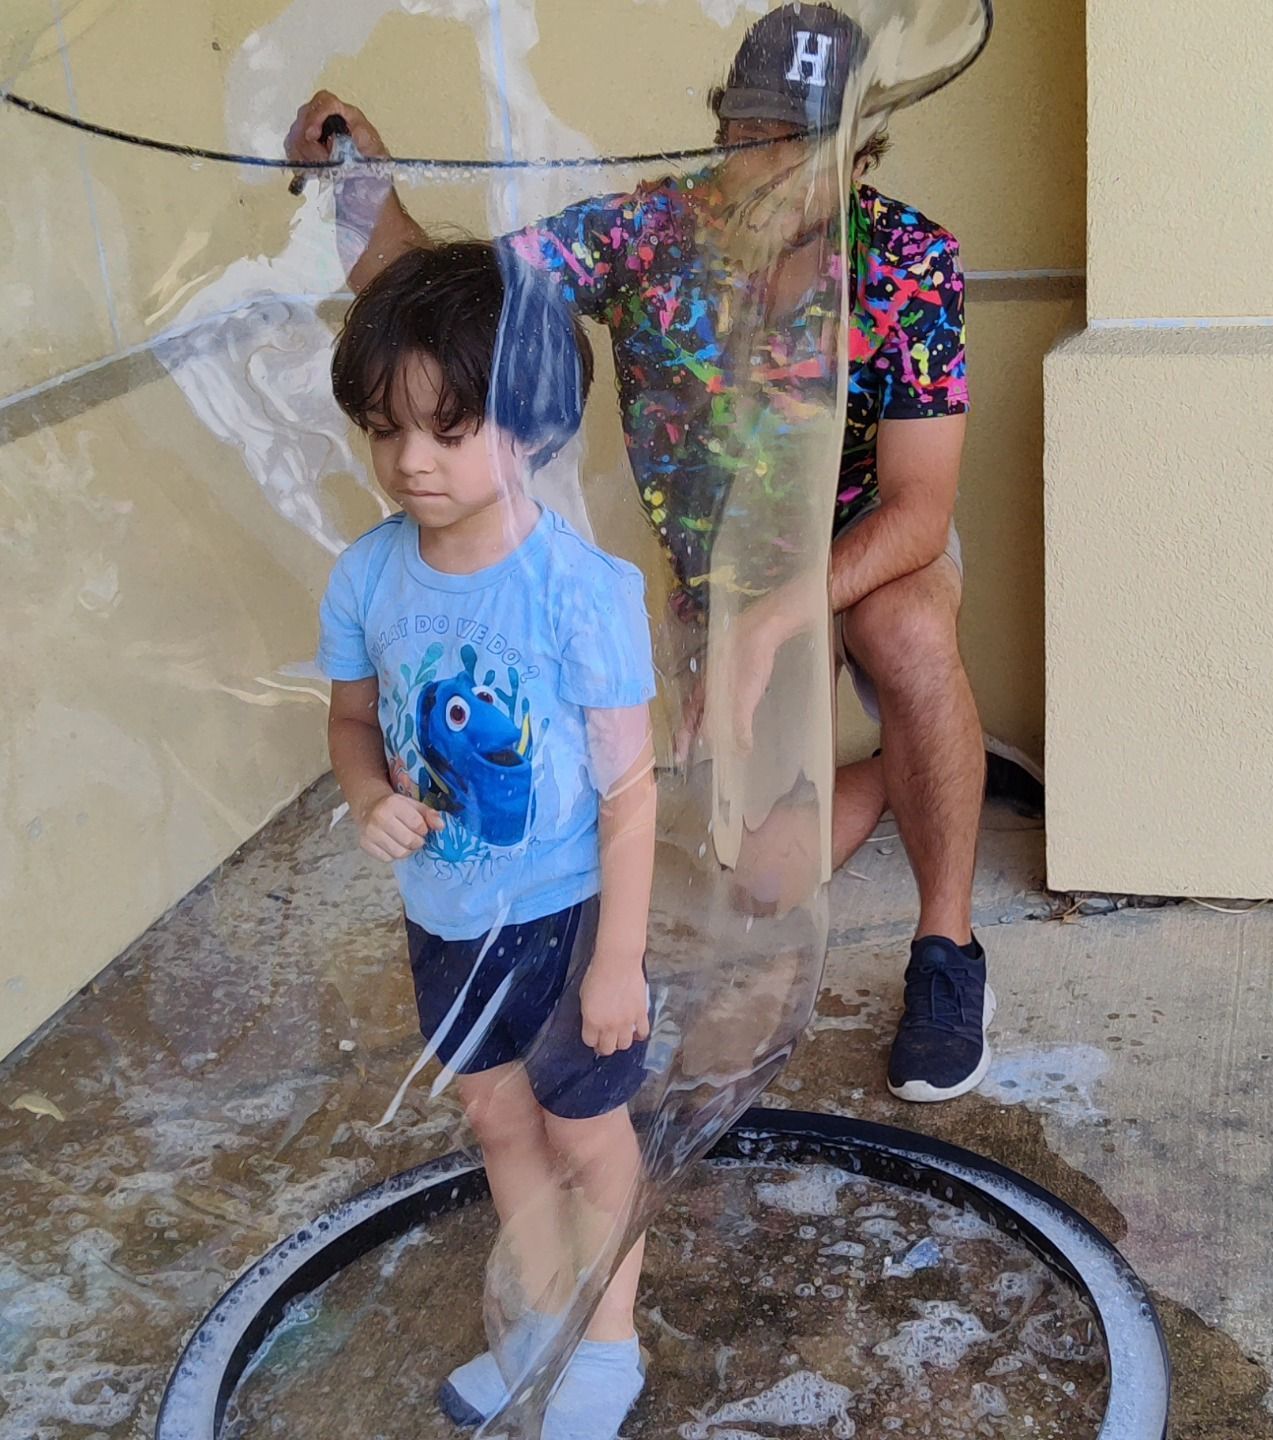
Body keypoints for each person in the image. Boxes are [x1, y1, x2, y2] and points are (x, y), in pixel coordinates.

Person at [291, 2, 994, 1105]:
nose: (765, 164)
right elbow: (451, 305)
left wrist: (771, 627)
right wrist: (361, 184)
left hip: (866, 555)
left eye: (800, 142)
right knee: (761, 884)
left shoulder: (912, 260)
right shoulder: (652, 235)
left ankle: (948, 951)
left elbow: (918, 506)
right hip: (713, 585)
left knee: (905, 631)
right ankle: (902, 777)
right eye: (749, 132)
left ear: (861, 149)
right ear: (720, 131)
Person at [316, 239, 657, 1436]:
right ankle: (542, 1324)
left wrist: (618, 959)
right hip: (448, 921)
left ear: (531, 425)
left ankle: (608, 1348)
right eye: (386, 428)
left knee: (585, 1127)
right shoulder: (368, 578)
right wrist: (366, 794)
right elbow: (352, 721)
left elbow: (629, 791)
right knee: (500, 1121)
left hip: (565, 920)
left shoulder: (581, 589)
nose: (411, 461)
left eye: (449, 429)